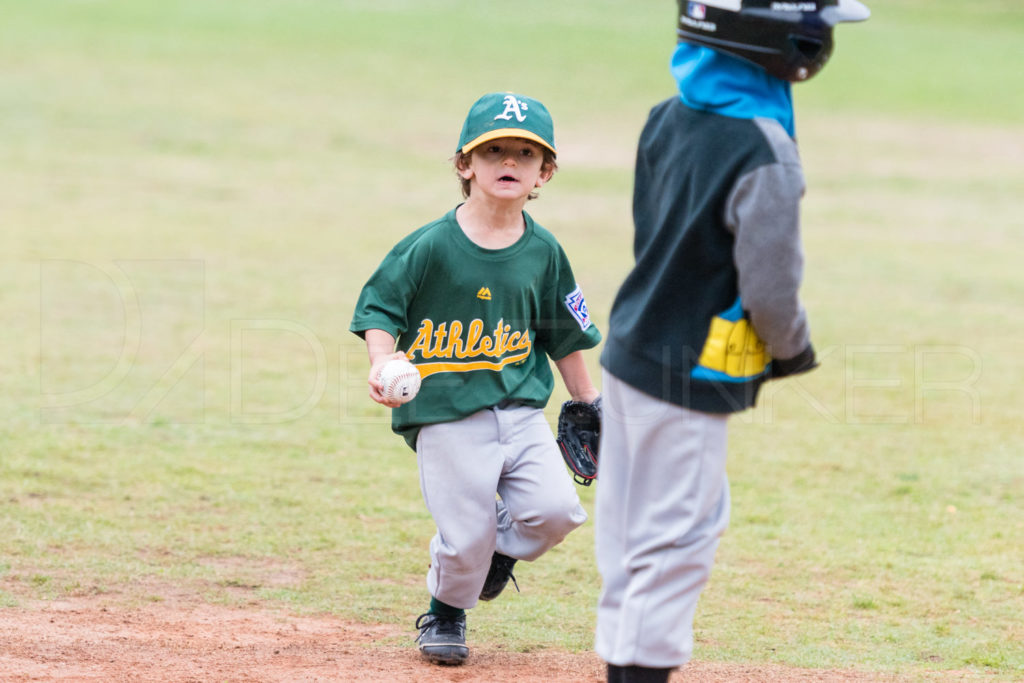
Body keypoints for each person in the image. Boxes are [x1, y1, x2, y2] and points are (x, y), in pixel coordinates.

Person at [594, 2, 870, 681]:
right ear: (770, 35)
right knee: (681, 537)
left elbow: (650, 232)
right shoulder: (766, 149)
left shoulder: (667, 115)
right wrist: (791, 346)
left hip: (630, 349)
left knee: (628, 534)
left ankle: (621, 666)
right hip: (689, 373)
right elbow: (772, 286)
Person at [350, 91, 601, 667]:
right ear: (466, 165)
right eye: (492, 151)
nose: (508, 162)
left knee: (557, 512)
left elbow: (563, 334)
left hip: (519, 411)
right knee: (463, 538)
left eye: (523, 153)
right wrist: (380, 361)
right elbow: (380, 308)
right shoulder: (432, 244)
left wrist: (589, 401)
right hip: (445, 415)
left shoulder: (543, 251)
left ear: (546, 171)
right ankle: (445, 614)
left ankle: (494, 552)